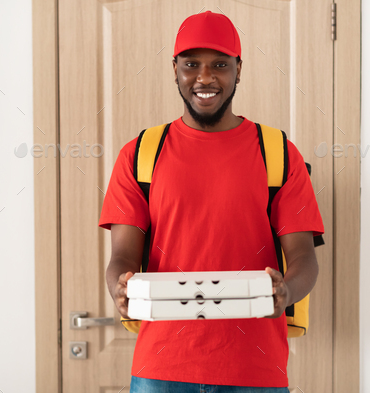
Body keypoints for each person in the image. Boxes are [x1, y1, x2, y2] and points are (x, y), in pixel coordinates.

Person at [98, 10, 324, 393]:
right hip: (161, 370)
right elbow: (122, 256)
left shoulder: (278, 153)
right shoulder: (140, 154)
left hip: (255, 371)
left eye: (220, 64)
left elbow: (304, 258)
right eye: (192, 65)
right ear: (175, 69)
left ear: (239, 68)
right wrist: (119, 287)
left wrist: (286, 290)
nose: (205, 78)